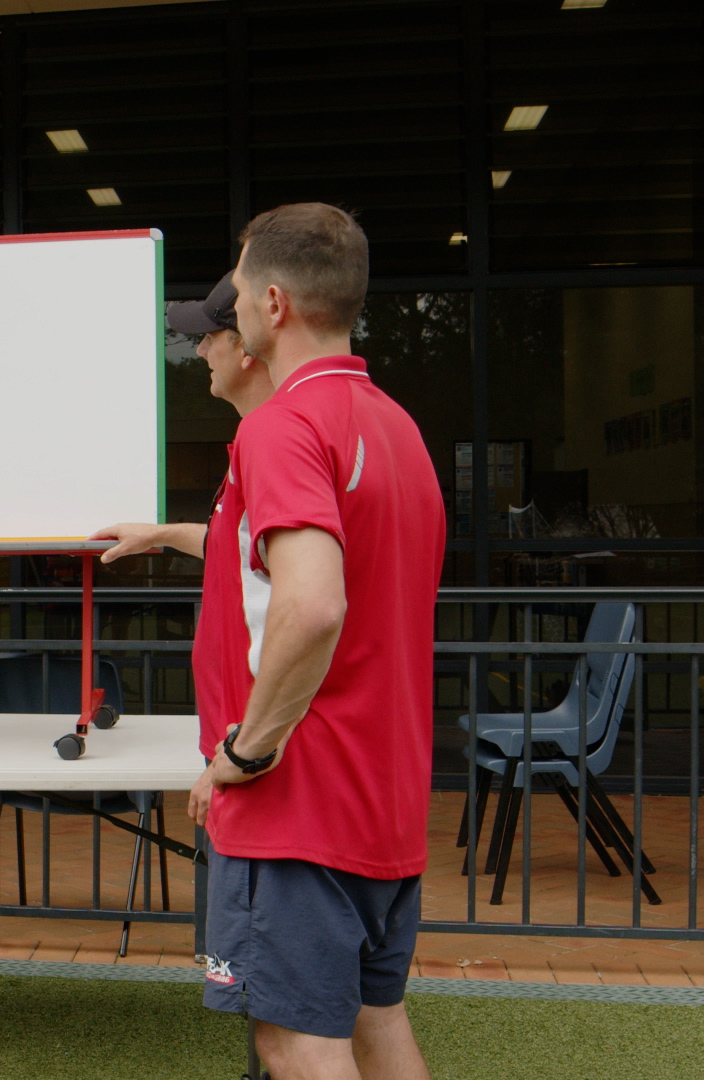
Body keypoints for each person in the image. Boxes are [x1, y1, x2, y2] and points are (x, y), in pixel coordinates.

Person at [189, 204, 444, 1080]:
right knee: (377, 1024)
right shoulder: (397, 427)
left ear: (270, 303)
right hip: (386, 795)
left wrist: (245, 752)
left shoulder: (281, 427)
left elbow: (312, 605)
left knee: (296, 1041)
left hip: (302, 805)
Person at [92, 271, 275, 562]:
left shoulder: (276, 437)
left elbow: (296, 577)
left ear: (247, 347)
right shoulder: (266, 431)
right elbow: (246, 547)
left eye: (209, 337)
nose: (201, 351)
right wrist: (160, 534)